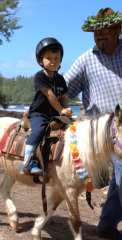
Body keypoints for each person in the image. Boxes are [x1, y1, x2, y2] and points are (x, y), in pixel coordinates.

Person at [64, 7, 122, 240]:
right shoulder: (86, 59)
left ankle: (107, 226)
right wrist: (46, 99)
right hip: (106, 135)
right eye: (96, 33)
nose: (99, 36)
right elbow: (64, 89)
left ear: (117, 29)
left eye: (105, 31)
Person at [20, 37, 73, 175]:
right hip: (40, 113)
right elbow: (50, 95)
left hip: (54, 114)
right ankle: (27, 162)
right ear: (40, 60)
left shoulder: (60, 79)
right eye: (49, 58)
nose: (53, 61)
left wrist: (66, 111)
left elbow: (63, 97)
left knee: (73, 129)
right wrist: (61, 109)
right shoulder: (40, 76)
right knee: (38, 131)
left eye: (56, 58)